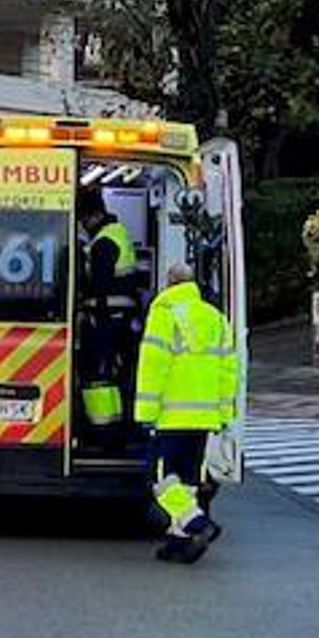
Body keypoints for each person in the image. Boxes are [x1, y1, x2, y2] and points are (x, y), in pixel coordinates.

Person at [135, 263, 239, 565]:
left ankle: (197, 524)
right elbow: (228, 371)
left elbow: (153, 367)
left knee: (159, 478)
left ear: (169, 283)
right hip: (204, 418)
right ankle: (178, 543)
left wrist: (146, 413)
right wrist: (223, 413)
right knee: (188, 480)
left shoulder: (164, 315)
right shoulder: (215, 318)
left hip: (171, 416)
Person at [77, 186, 139, 439]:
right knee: (116, 377)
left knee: (98, 376)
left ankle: (103, 431)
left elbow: (98, 287)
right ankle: (117, 429)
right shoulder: (118, 233)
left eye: (83, 219)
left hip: (106, 321)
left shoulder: (103, 243)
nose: (82, 225)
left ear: (93, 216)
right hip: (121, 320)